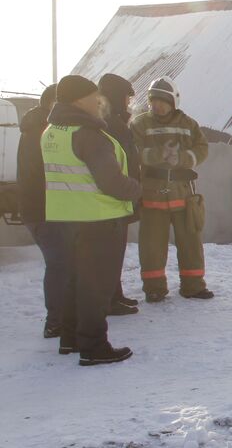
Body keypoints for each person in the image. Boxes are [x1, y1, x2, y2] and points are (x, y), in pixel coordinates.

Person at [41, 76, 143, 365]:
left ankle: (71, 339)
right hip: (99, 218)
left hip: (66, 217)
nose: (99, 101)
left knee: (76, 282)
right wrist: (137, 189)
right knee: (96, 287)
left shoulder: (52, 130)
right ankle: (94, 346)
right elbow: (110, 181)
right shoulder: (88, 134)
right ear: (77, 100)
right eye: (92, 96)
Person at [131, 78, 212, 302]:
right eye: (154, 101)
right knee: (152, 246)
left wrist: (183, 158)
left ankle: (193, 286)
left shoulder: (188, 124)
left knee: (190, 242)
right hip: (152, 194)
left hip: (183, 194)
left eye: (162, 101)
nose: (158, 105)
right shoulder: (139, 124)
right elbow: (132, 152)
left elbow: (202, 148)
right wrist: (159, 155)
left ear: (173, 101)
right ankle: (154, 288)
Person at [17, 85, 64, 338]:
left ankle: (59, 318)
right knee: (59, 264)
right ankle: (56, 321)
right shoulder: (42, 132)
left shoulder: (34, 126)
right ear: (52, 104)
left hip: (36, 209)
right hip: (44, 210)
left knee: (58, 263)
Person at [98, 73, 141, 314]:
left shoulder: (115, 123)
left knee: (116, 252)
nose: (129, 103)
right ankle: (109, 299)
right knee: (110, 253)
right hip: (114, 199)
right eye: (126, 97)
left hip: (120, 198)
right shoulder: (110, 126)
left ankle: (116, 294)